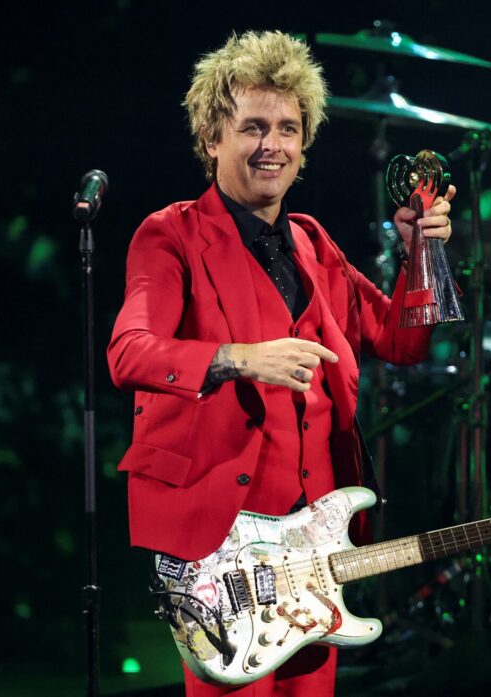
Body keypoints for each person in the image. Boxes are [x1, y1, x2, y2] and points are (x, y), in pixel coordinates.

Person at [107, 30, 455, 697]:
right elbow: (129, 352)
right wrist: (237, 358)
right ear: (212, 138)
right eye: (253, 127)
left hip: (314, 548)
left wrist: (422, 255)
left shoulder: (313, 243)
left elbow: (401, 342)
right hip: (221, 549)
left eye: (288, 129)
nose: (273, 145)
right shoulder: (170, 234)